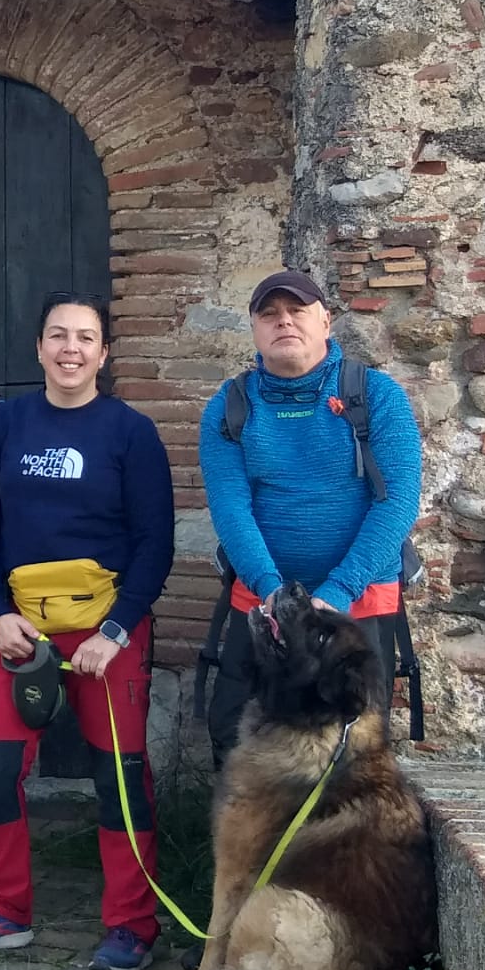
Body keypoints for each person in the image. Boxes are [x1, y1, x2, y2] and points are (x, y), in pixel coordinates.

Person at [0, 292, 175, 970]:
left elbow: (154, 541)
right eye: (57, 336)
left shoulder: (130, 432)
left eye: (84, 337)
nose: (70, 349)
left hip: (107, 634)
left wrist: (116, 628)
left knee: (120, 779)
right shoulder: (3, 426)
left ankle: (133, 925)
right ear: (39, 348)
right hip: (18, 631)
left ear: (104, 353)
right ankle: (3, 910)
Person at [198, 269, 422, 764]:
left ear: (325, 321)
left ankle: (341, 842)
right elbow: (231, 506)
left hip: (359, 603)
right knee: (237, 738)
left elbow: (398, 502)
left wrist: (336, 594)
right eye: (269, 314)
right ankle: (247, 841)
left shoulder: (376, 396)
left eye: (297, 311)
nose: (284, 322)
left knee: (352, 747)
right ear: (255, 330)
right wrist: (273, 593)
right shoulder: (230, 405)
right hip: (260, 602)